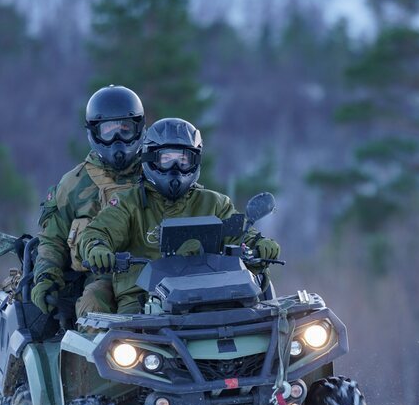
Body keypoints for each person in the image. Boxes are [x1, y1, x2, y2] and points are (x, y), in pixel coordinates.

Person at [78, 118, 281, 314]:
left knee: (265, 319)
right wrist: (97, 248)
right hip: (143, 301)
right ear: (150, 159)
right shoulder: (128, 203)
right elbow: (98, 232)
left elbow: (240, 235)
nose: (175, 169)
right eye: (166, 160)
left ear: (195, 161)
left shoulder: (215, 203)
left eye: (183, 160)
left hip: (211, 295)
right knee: (121, 342)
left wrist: (258, 244)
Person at [31, 85, 146, 322]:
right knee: (92, 308)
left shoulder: (158, 172)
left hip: (157, 275)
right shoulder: (73, 184)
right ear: (94, 133)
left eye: (125, 129)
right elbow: (52, 239)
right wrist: (46, 277)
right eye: (109, 131)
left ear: (139, 129)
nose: (117, 140)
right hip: (101, 278)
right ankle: (92, 359)